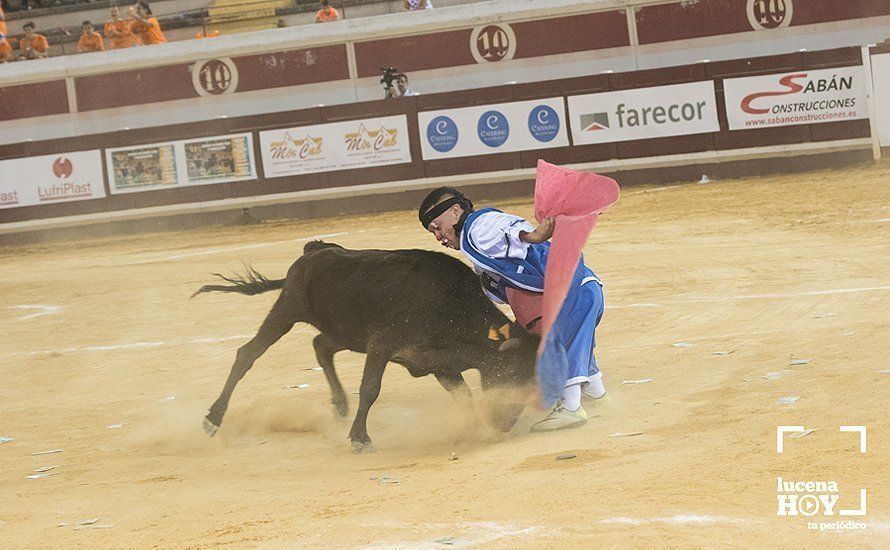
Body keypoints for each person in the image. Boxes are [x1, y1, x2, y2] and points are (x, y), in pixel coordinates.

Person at [418, 187, 607, 431]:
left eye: (436, 226)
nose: (439, 237)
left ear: (455, 211)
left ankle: (571, 408)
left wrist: (535, 235)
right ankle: (597, 395)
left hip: (568, 289)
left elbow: (508, 228)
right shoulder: (477, 252)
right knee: (577, 342)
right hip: (581, 286)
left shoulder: (479, 226)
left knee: (561, 341)